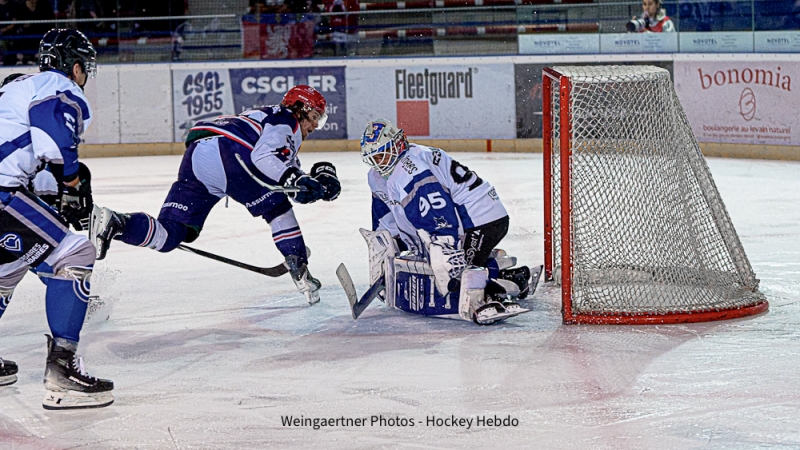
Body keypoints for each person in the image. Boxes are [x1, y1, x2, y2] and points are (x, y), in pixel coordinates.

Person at [89, 85, 340, 305]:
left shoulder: (267, 120)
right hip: (230, 152)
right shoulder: (287, 119)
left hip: (199, 154)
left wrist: (313, 185)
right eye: (314, 116)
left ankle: (117, 224)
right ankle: (299, 267)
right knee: (277, 209)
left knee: (171, 234)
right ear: (298, 108)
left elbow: (285, 176)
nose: (315, 126)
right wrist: (297, 180)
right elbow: (263, 158)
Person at [0, 29, 114, 409]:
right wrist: (72, 180)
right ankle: (62, 369)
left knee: (6, 272)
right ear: (76, 66)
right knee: (76, 254)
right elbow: (51, 129)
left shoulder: (18, 89)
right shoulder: (57, 84)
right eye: (85, 68)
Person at [358, 119, 536, 325]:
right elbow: (386, 217)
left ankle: (499, 291)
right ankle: (509, 273)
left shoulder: (410, 167)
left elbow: (439, 214)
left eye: (382, 154)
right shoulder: (378, 176)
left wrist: (445, 248)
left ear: (397, 144)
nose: (378, 162)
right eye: (373, 158)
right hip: (467, 220)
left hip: (482, 219)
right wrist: (389, 245)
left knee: (461, 278)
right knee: (456, 270)